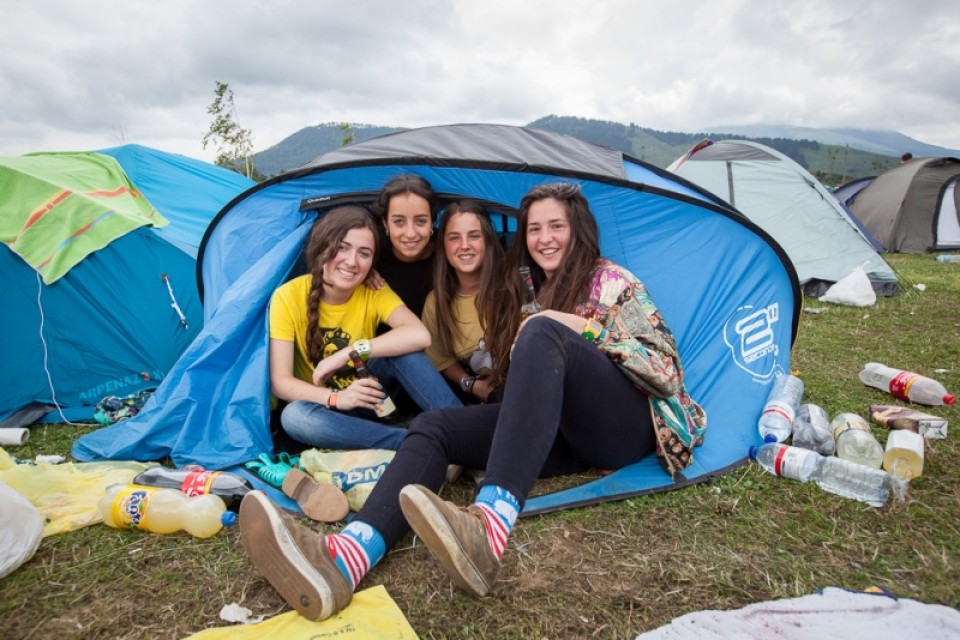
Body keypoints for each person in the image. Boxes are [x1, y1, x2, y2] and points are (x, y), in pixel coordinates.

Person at [240, 183, 707, 621]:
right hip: (560, 434)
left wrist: (580, 327)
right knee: (436, 426)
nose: (545, 239)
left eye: (556, 227)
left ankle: (489, 525)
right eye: (534, 229)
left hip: (624, 430)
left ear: (577, 230)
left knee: (544, 328)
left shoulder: (610, 281)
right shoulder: (528, 290)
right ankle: (346, 558)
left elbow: (666, 373)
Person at [268, 205, 460, 452]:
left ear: (372, 262)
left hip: (373, 400)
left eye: (364, 253)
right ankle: (414, 444)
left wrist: (347, 353)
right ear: (321, 246)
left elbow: (419, 335)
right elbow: (280, 383)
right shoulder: (288, 296)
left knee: (404, 349)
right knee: (293, 416)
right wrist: (337, 398)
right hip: (327, 411)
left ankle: (462, 428)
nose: (352, 261)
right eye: (342, 247)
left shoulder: (373, 290)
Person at [421, 200, 504, 403]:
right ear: (444, 245)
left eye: (474, 236)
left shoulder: (512, 286)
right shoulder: (436, 303)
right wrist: (470, 384)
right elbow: (440, 359)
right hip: (477, 402)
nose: (464, 246)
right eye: (454, 238)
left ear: (488, 240)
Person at [372, 174, 440, 317]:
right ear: (385, 223)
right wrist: (361, 273)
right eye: (399, 221)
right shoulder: (370, 255)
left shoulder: (449, 256)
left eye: (420, 221)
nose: (410, 233)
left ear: (432, 223)